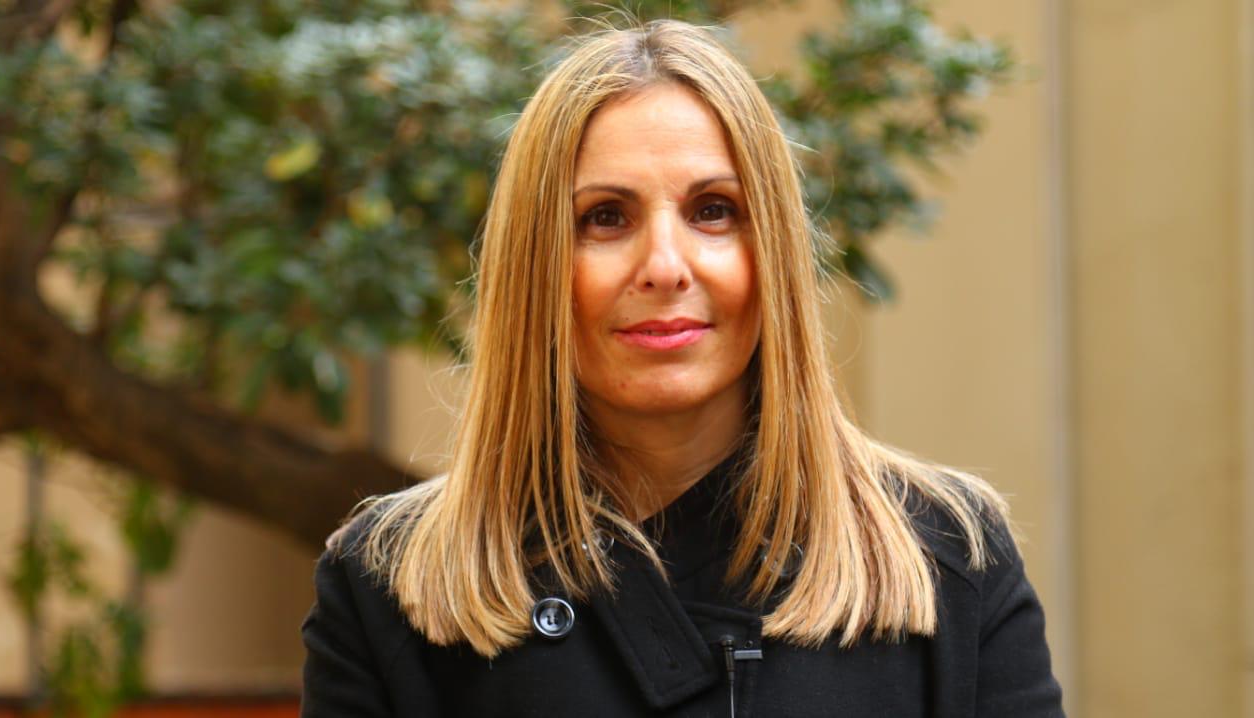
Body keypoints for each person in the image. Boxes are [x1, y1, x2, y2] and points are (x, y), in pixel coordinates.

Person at [300, 19, 1064, 718]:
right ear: (535, 266)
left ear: (773, 253)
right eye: (605, 217)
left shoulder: (948, 559)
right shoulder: (389, 585)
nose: (665, 266)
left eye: (713, 211)